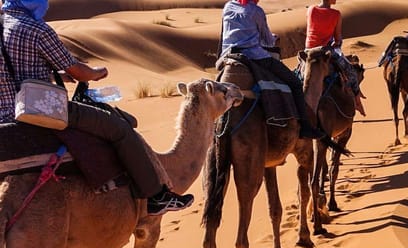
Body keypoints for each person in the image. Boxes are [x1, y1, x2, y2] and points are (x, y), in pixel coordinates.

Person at [0, 0, 193, 215]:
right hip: (40, 110)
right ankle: (156, 196)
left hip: (4, 115)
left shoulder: (3, 26)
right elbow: (78, 71)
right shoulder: (36, 29)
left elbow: (14, 71)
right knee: (119, 129)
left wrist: (55, 76)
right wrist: (95, 73)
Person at [220, 0, 325, 136]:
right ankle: (305, 126)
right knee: (295, 83)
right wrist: (273, 38)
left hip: (229, 56)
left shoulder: (228, 6)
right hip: (254, 56)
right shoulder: (256, 11)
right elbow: (268, 41)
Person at [305, 0, 366, 116]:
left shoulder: (311, 9)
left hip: (308, 52)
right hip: (325, 51)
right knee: (352, 73)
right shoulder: (336, 14)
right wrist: (337, 42)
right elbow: (337, 38)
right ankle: (357, 101)